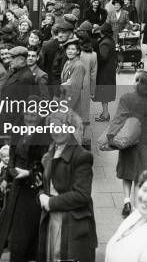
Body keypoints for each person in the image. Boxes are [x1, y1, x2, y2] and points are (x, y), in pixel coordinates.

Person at [0, 98, 51, 262]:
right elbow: (12, 155)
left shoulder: (45, 136)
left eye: (34, 114)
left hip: (33, 192)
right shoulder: (19, 130)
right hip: (17, 187)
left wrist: (28, 173)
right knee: (16, 232)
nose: (30, 118)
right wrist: (7, 176)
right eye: (27, 113)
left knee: (25, 235)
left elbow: (46, 167)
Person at [38, 109, 97, 262]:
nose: (56, 132)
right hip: (54, 217)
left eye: (61, 127)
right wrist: (41, 195)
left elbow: (82, 195)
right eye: (53, 127)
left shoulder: (82, 156)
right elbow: (46, 184)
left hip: (71, 223)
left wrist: (50, 202)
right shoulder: (52, 150)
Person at [109, 71, 147, 218]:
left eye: (134, 79)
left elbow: (118, 119)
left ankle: (127, 201)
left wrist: (111, 137)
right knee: (141, 175)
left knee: (127, 171)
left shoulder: (127, 98)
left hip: (129, 142)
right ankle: (138, 206)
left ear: (138, 82)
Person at [60, 39, 88, 138]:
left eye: (73, 49)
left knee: (74, 137)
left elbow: (74, 91)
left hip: (73, 106)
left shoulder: (78, 66)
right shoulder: (68, 62)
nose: (70, 51)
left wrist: (67, 109)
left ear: (78, 51)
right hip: (65, 102)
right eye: (68, 49)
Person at [39, 21, 74, 96]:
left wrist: (57, 94)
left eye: (63, 32)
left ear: (71, 35)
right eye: (59, 32)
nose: (60, 35)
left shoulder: (70, 51)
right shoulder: (61, 47)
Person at [94, 23, 117, 122]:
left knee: (104, 93)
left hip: (104, 72)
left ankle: (105, 114)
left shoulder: (105, 43)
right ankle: (105, 113)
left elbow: (102, 58)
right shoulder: (110, 41)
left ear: (102, 32)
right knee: (105, 93)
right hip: (109, 70)